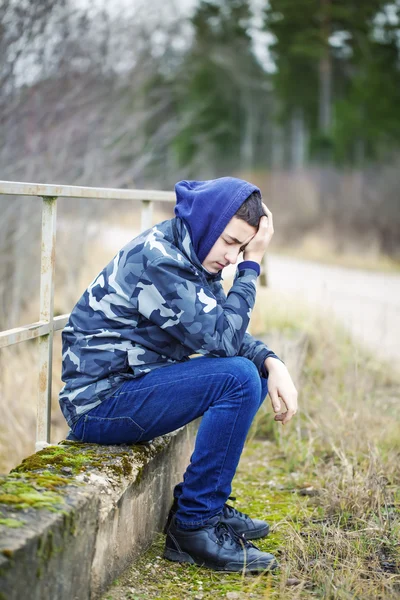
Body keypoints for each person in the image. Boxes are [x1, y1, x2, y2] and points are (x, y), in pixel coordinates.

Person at [59, 176, 298, 573]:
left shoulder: (190, 253)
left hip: (130, 388)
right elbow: (222, 338)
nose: (233, 257)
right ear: (207, 222)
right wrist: (253, 266)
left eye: (242, 248)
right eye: (230, 242)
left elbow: (223, 329)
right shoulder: (161, 259)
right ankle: (194, 525)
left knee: (252, 373)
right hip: (100, 405)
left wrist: (274, 362)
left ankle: (207, 505)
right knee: (238, 376)